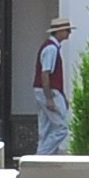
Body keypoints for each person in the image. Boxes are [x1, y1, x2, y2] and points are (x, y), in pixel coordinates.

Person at [35, 16, 75, 155]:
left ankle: (41, 155)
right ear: (59, 32)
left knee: (45, 127)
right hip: (49, 91)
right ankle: (42, 155)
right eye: (67, 30)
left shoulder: (50, 47)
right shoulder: (51, 49)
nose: (69, 33)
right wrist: (49, 98)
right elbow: (45, 74)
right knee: (61, 128)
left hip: (45, 90)